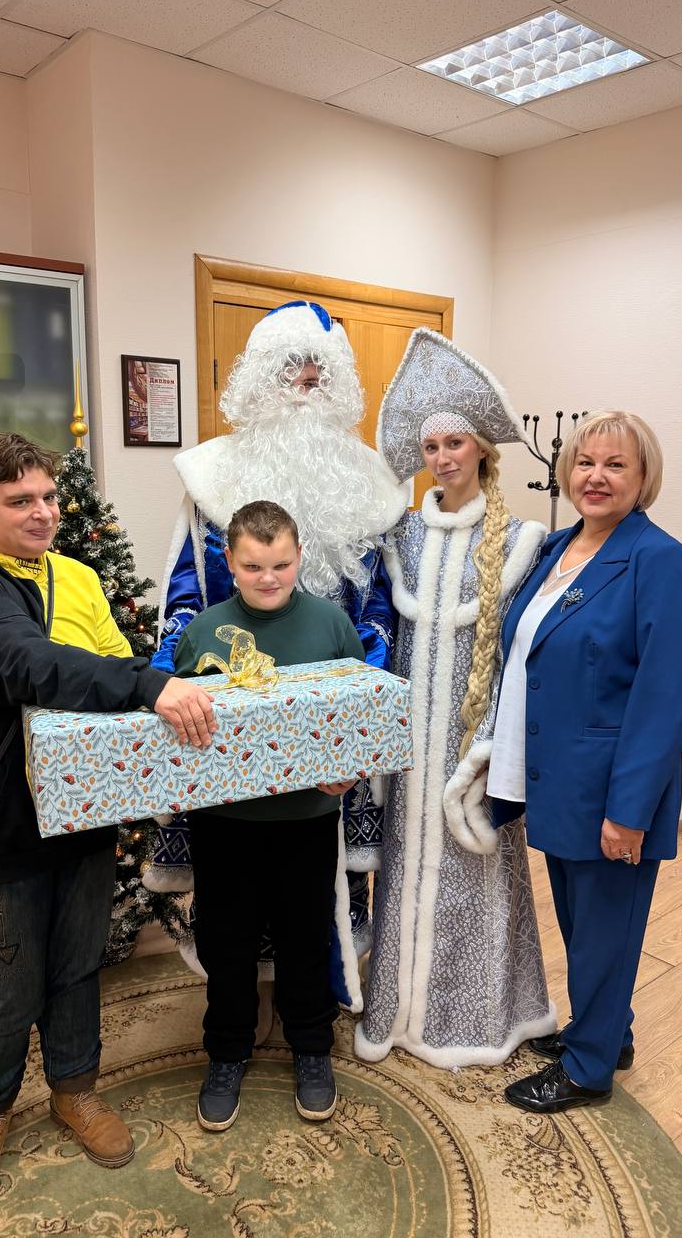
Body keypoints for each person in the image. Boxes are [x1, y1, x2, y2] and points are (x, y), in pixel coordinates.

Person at [0, 432, 215, 1209]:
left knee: (76, 969)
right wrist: (148, 686)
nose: (44, 512)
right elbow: (25, 663)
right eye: (20, 501)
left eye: (48, 496)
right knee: (0, 990)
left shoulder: (74, 575)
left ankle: (75, 1091)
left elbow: (109, 653)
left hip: (82, 817)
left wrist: (154, 685)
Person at [146, 300, 407, 1010]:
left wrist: (354, 728)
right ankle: (238, 1011)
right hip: (229, 718)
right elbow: (185, 595)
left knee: (312, 882)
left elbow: (379, 612)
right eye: (292, 367)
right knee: (232, 880)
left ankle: (313, 1002)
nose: (306, 382)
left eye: (320, 371)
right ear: (260, 377)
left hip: (328, 726)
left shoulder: (371, 482)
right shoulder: (210, 474)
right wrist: (168, 684)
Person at [485, 411, 682, 1113]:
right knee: (587, 929)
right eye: (585, 463)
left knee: (606, 929)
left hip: (611, 789)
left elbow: (664, 698)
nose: (597, 477)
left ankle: (587, 1071)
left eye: (616, 465)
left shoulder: (658, 561)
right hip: (559, 780)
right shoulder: (558, 546)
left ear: (643, 478)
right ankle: (610, 1034)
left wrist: (629, 811)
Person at [356, 328, 555, 1067]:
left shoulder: (524, 539)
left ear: (481, 450)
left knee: (477, 873)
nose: (443, 458)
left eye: (456, 443)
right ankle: (396, 1011)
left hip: (473, 738)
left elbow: (519, 653)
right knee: (405, 865)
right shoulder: (402, 535)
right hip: (410, 741)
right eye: (432, 446)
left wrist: (495, 742)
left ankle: (475, 1019)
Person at [175, 500, 365, 1131]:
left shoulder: (332, 625)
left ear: (299, 557)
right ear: (229, 561)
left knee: (306, 937)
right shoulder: (204, 632)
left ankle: (312, 1047)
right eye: (254, 566)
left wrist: (349, 769)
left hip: (307, 819)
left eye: (281, 564)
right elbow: (178, 731)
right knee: (225, 942)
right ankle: (226, 1053)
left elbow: (357, 714)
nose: (268, 578)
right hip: (224, 824)